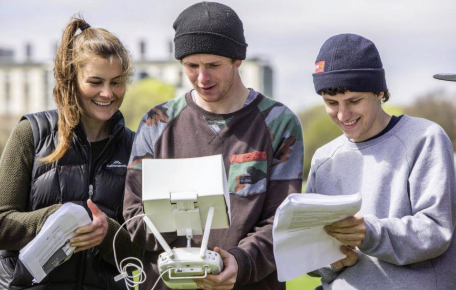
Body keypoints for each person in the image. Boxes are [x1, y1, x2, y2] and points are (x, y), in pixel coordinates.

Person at [123, 2, 304, 290]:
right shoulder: (155, 124)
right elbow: (133, 217)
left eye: (213, 65)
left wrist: (239, 262)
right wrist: (174, 221)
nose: (202, 78)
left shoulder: (278, 123)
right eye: (191, 66)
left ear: (237, 60)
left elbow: (282, 220)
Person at [0, 17, 142, 290]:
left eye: (117, 82)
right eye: (96, 82)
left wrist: (106, 233)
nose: (107, 93)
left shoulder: (137, 148)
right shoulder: (30, 133)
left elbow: (143, 251)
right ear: (71, 79)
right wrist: (56, 219)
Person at [306, 33, 456, 290]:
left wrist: (369, 233)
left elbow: (436, 231)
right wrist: (332, 261)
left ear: (379, 92)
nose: (343, 114)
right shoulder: (323, 160)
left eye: (354, 101)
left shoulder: (423, 138)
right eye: (331, 103)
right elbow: (308, 254)